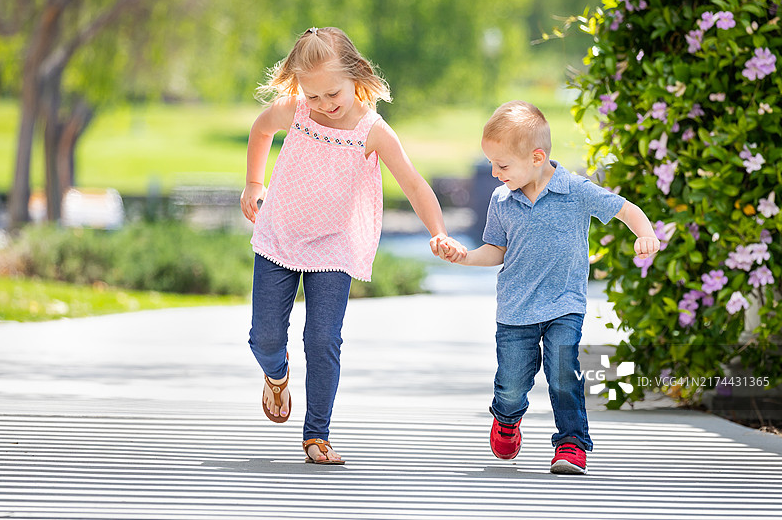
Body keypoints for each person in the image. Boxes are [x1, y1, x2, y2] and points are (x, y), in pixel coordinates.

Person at [240, 26, 462, 465]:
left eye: (332, 94)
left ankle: (317, 434)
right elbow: (260, 129)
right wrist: (253, 183)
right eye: (313, 95)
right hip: (280, 232)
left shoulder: (372, 130)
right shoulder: (296, 110)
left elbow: (414, 185)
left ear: (356, 75)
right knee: (264, 337)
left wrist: (438, 230)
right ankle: (276, 372)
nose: (322, 104)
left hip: (335, 247)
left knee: (323, 339)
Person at [437, 100, 660, 474]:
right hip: (516, 309)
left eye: (502, 165)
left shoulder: (575, 190)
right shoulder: (502, 200)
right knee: (511, 385)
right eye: (491, 163)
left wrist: (646, 233)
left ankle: (571, 445)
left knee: (563, 376)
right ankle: (506, 419)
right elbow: (496, 250)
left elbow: (624, 209)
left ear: (537, 157)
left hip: (564, 305)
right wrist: (465, 258)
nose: (493, 173)